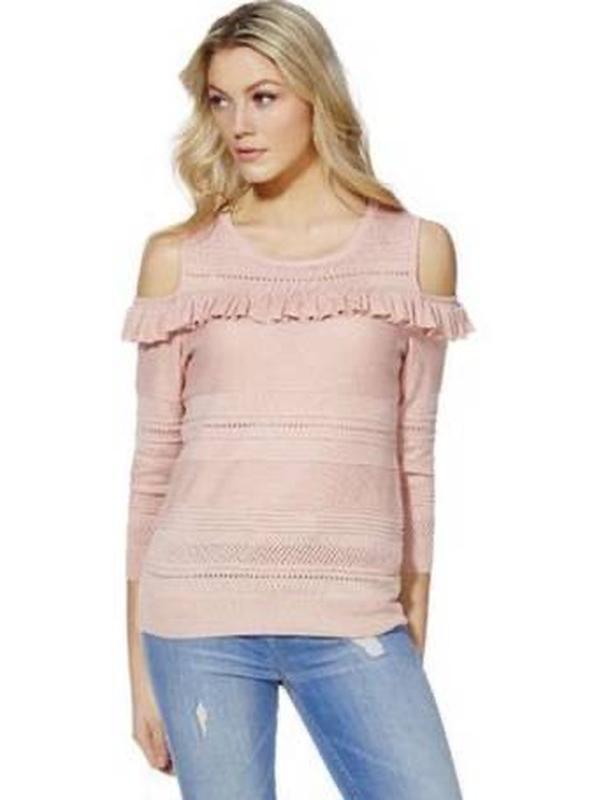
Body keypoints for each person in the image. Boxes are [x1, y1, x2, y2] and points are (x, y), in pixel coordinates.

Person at [121, 2, 475, 797]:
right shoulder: (178, 259)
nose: (238, 125)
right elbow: (152, 471)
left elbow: (413, 457)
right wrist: (136, 669)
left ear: (317, 93)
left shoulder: (414, 251)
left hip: (352, 613)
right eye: (220, 101)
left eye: (263, 97)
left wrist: (414, 616)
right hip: (197, 619)